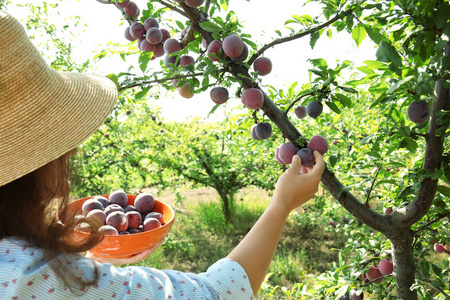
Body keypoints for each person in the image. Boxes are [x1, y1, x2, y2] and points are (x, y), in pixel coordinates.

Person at [0, 10, 325, 299]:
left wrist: (85, 262)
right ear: (39, 165)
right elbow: (215, 294)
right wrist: (282, 202)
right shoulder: (39, 278)